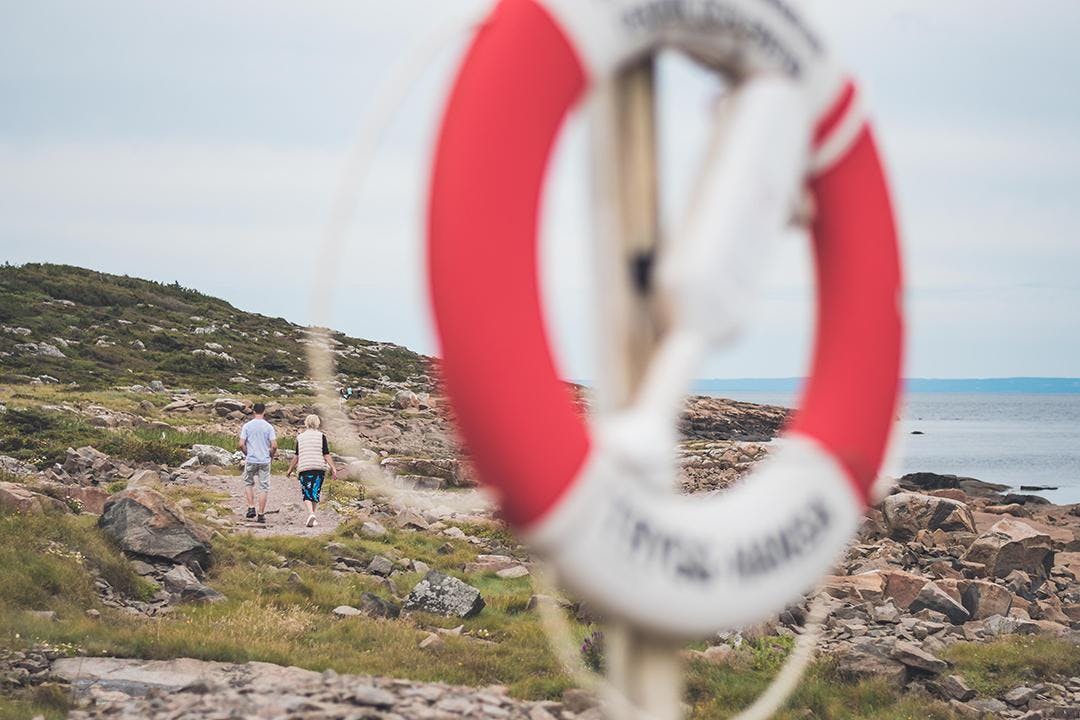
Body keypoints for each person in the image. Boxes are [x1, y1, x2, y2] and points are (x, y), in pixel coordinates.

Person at [286, 414, 338, 527]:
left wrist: (290, 469)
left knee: (306, 492)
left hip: (305, 468)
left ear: (306, 423)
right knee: (315, 492)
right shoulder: (321, 436)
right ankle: (312, 516)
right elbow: (326, 454)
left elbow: (297, 455)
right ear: (317, 423)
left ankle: (311, 514)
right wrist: (333, 468)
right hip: (318, 468)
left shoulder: (300, 437)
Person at [239, 402, 277, 524]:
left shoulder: (247, 426)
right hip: (264, 459)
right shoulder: (269, 427)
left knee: (248, 483)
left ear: (254, 411)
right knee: (264, 487)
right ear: (264, 411)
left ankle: (251, 507)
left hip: (251, 458)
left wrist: (246, 453)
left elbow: (241, 444)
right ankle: (261, 514)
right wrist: (271, 455)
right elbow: (274, 445)